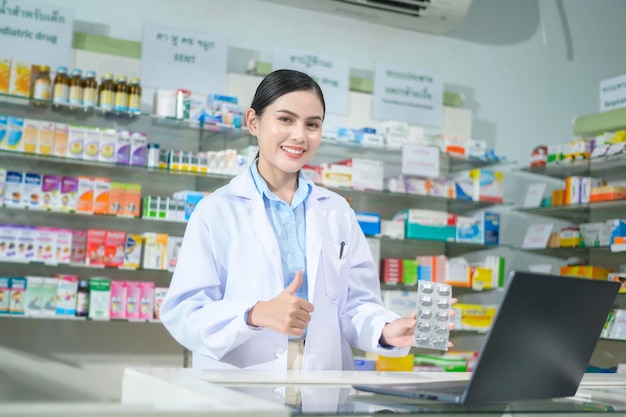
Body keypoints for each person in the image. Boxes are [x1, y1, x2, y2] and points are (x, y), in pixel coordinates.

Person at [160, 69, 454, 371]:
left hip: (321, 379)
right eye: (286, 119)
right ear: (253, 121)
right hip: (242, 385)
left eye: (312, 124)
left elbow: (355, 305)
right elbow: (185, 312)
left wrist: (386, 331)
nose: (300, 135)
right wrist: (254, 314)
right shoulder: (216, 211)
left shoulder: (337, 211)